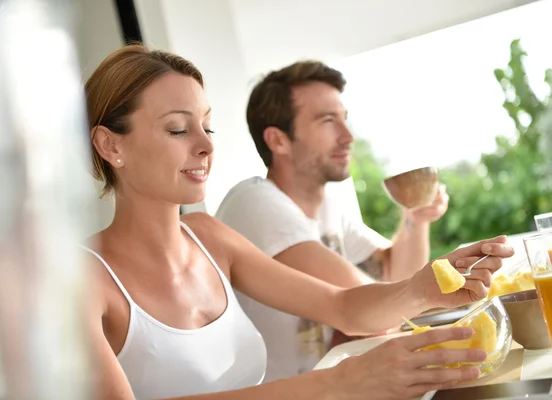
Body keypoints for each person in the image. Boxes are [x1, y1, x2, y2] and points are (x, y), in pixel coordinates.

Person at [81, 44, 512, 400]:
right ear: (110, 145)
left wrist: (421, 289)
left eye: (207, 128)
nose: (204, 146)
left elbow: (342, 306)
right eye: (177, 130)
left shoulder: (210, 238)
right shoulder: (79, 280)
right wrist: (338, 383)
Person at [214, 60, 450, 381]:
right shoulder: (254, 202)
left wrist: (416, 218)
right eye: (328, 121)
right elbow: (372, 312)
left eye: (344, 119)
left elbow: (396, 276)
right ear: (278, 140)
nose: (348, 136)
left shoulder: (329, 205)